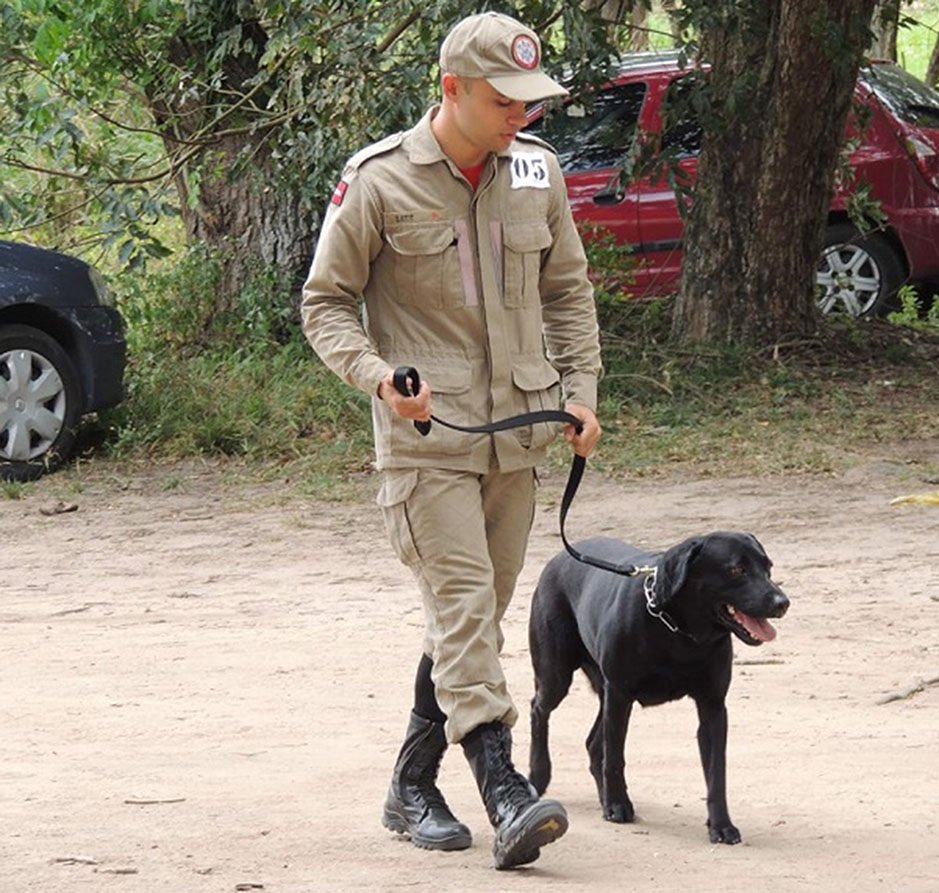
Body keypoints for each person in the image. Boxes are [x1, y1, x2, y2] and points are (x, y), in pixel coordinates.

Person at [301, 11, 602, 871]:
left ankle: (410, 783)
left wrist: (581, 395)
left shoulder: (537, 174)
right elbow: (325, 302)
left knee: (470, 620)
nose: (522, 115)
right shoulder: (380, 181)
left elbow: (570, 292)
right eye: (505, 100)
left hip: (519, 437)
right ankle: (505, 787)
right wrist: (377, 375)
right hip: (426, 443)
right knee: (467, 609)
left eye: (530, 100)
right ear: (452, 90)